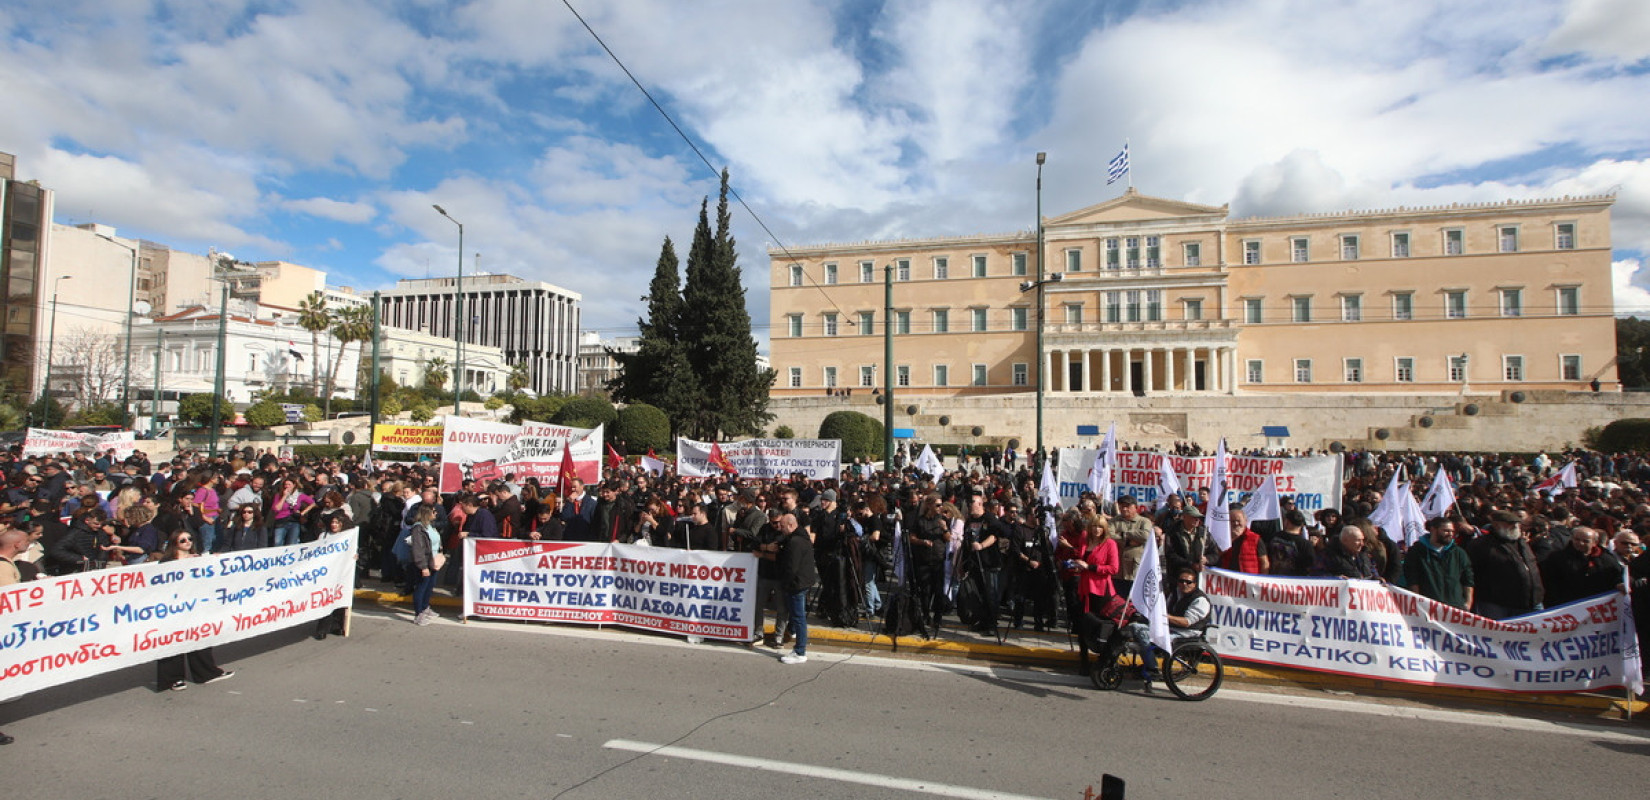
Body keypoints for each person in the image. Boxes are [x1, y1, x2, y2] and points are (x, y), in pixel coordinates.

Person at [155, 530, 235, 691]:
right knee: (174, 641)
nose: (187, 542)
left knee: (199, 637)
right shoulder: (166, 562)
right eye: (182, 540)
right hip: (174, 608)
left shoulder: (198, 559)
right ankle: (173, 679)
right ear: (175, 543)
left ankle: (205, 673)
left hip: (196, 607)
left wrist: (215, 561)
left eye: (189, 539)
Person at [1123, 564, 1213, 689]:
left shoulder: (1200, 600)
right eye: (1181, 581)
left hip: (1188, 632)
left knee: (1145, 634)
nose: (1184, 584)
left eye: (1188, 582)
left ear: (1194, 584)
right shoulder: (1176, 593)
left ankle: (1152, 668)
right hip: (1171, 627)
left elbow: (1186, 622)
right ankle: (1146, 661)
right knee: (1136, 627)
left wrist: (1165, 617)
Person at [1467, 509, 1544, 620]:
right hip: (1498, 605)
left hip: (1531, 602)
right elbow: (1471, 573)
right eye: (1510, 524)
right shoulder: (1481, 546)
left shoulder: (1522, 543)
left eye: (1516, 523)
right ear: (1496, 525)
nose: (1515, 526)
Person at [1072, 514, 1120, 675]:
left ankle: (1103, 660)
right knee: (1082, 625)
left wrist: (1090, 567)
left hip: (1101, 590)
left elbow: (1114, 568)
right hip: (1085, 587)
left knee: (1101, 626)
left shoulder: (1110, 544)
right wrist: (1077, 565)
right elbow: (1081, 558)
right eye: (1094, 526)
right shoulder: (1085, 540)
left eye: (1100, 526)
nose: (1097, 529)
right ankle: (1084, 660)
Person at [1540, 526, 1624, 607]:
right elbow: (1549, 583)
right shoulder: (1557, 558)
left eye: (1586, 541)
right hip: (1569, 605)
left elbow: (1616, 576)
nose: (1580, 543)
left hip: (1599, 605)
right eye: (1577, 539)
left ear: (1594, 542)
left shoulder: (1606, 559)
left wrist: (1619, 584)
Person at [1403, 517, 1475, 610]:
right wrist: (1418, 603)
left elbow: (1468, 579)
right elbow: (1412, 579)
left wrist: (1468, 603)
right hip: (1428, 606)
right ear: (1433, 530)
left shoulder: (1459, 553)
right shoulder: (1417, 551)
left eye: (1452, 531)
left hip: (1455, 607)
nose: (1450, 534)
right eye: (1446, 531)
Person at [775, 511, 817, 665]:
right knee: (797, 617)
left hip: (796, 584)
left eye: (782, 526)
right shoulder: (799, 538)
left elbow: (791, 567)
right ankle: (796, 642)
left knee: (799, 618)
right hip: (801, 582)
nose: (780, 528)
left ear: (791, 525)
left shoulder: (795, 542)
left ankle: (800, 651)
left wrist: (785, 583)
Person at [1110, 495, 1154, 598]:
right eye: (1122, 506)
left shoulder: (1144, 521)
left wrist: (1123, 534)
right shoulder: (1114, 521)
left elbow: (1145, 535)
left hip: (1135, 569)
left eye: (1127, 506)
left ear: (1135, 507)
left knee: (1134, 599)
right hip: (1118, 570)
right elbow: (1109, 536)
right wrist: (1128, 542)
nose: (1124, 509)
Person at [407, 504, 444, 626]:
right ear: (427, 513)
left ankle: (425, 607)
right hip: (424, 561)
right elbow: (418, 549)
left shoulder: (430, 526)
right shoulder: (418, 528)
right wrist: (423, 566)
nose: (436, 513)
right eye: (433, 511)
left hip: (433, 560)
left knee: (429, 586)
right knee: (421, 586)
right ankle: (418, 613)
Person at [1217, 506, 1269, 575]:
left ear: (1245, 521)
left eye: (1238, 521)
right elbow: (1217, 555)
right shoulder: (1223, 538)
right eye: (1232, 521)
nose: (1236, 523)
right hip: (1228, 578)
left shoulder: (1255, 538)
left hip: (1249, 579)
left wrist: (1262, 579)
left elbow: (1264, 562)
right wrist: (1231, 539)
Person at [1314, 526, 1379, 580]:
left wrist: (1377, 578)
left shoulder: (1364, 555)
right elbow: (1317, 573)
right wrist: (1335, 578)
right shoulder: (1328, 555)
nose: (1362, 544)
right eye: (1358, 540)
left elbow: (1372, 569)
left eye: (1362, 540)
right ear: (1345, 540)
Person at [267, 477, 314, 547]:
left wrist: (302, 513)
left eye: (289, 484)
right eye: (285, 484)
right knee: (277, 542)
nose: (287, 486)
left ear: (294, 485)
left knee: (292, 543)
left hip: (294, 521)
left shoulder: (299, 495)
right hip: (281, 522)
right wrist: (284, 496)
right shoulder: (278, 496)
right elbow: (276, 509)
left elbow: (313, 503)